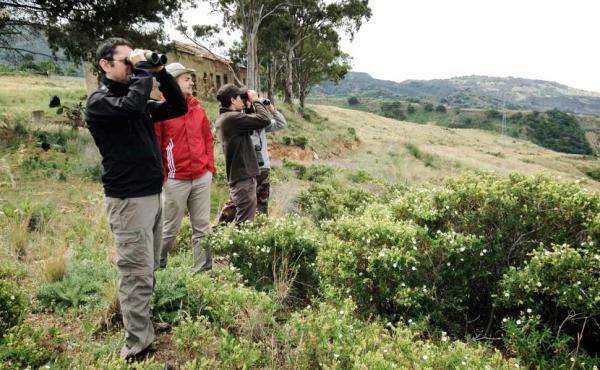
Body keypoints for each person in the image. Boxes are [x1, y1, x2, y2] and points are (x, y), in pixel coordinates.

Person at [85, 38, 187, 361]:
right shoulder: (100, 102)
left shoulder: (135, 98)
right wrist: (142, 68)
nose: (132, 66)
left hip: (151, 195)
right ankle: (137, 348)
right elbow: (130, 107)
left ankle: (144, 325)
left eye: (134, 62)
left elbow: (177, 107)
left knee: (148, 268)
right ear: (105, 64)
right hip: (128, 201)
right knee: (135, 273)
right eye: (126, 61)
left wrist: (159, 72)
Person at [154, 62, 215, 273]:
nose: (191, 82)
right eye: (186, 78)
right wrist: (164, 177)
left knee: (202, 228)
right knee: (169, 229)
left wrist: (209, 168)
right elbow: (156, 145)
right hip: (174, 179)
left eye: (191, 78)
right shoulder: (160, 111)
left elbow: (208, 139)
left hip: (201, 176)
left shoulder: (198, 109)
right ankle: (157, 266)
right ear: (172, 82)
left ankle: (202, 272)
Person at [217, 98, 287, 222]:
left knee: (262, 204)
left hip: (263, 168)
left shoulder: (261, 125)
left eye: (252, 103)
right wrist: (252, 103)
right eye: (247, 102)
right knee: (236, 202)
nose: (251, 105)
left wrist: (271, 108)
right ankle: (219, 229)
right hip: (247, 170)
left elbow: (281, 123)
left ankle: (257, 231)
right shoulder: (240, 123)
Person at [215, 84, 271, 225]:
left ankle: (219, 240)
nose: (242, 100)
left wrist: (251, 104)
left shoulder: (228, 118)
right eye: (240, 97)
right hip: (243, 178)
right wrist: (256, 100)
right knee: (245, 222)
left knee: (242, 218)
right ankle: (236, 246)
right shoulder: (232, 118)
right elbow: (265, 120)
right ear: (233, 100)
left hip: (241, 176)